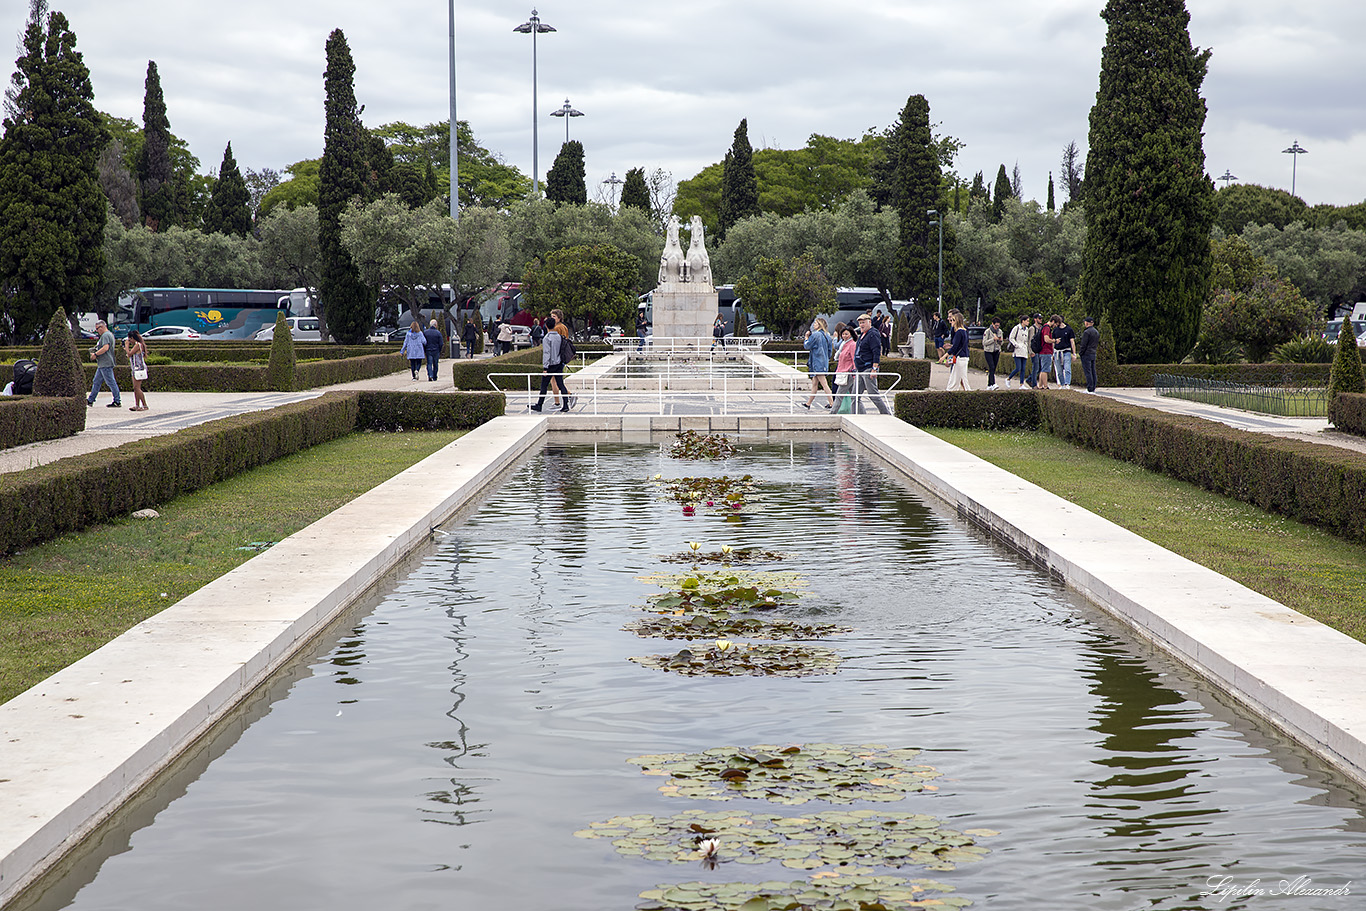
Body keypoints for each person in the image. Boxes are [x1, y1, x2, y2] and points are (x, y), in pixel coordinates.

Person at [530, 315, 571, 413]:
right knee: (561, 385)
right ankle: (565, 405)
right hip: (559, 363)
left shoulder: (547, 338)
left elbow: (546, 353)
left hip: (550, 365)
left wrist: (545, 367)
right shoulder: (559, 337)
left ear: (546, 326)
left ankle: (539, 405)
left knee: (544, 386)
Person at [852, 313, 891, 414]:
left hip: (868, 368)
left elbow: (876, 351)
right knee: (854, 396)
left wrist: (874, 369)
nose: (861, 325)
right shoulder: (862, 335)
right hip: (860, 369)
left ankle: (886, 414)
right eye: (860, 323)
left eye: (863, 323)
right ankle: (860, 416)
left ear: (869, 322)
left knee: (873, 394)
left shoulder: (873, 334)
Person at [802, 317, 836, 409]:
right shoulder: (828, 336)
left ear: (820, 325)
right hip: (823, 362)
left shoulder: (816, 335)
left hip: (817, 363)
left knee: (824, 384)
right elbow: (829, 352)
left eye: (816, 323)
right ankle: (808, 403)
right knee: (814, 384)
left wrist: (806, 338)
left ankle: (832, 403)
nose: (814, 325)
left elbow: (807, 345)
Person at [86, 319, 121, 408]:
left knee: (111, 382)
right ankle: (90, 400)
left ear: (102, 327)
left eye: (97, 329)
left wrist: (95, 354)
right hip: (103, 363)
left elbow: (105, 348)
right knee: (96, 381)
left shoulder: (105, 335)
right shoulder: (109, 334)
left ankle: (117, 400)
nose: (97, 331)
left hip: (105, 363)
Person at [831, 325, 858, 414]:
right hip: (843, 373)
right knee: (854, 397)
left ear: (851, 334)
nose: (844, 336)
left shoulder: (852, 344)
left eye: (846, 334)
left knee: (839, 395)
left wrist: (854, 373)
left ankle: (832, 414)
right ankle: (861, 413)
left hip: (848, 374)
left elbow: (854, 358)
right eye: (843, 334)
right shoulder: (844, 344)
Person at [944, 311, 972, 392]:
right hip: (962, 356)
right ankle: (951, 391)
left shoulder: (959, 331)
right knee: (956, 378)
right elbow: (959, 345)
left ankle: (968, 393)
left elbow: (956, 347)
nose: (950, 321)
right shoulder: (963, 330)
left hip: (960, 357)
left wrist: (945, 357)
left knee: (960, 378)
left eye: (952, 319)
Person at [124, 329, 149, 411]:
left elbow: (129, 354)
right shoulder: (138, 345)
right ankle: (137, 405)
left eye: (129, 339)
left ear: (132, 338)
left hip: (139, 368)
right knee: (135, 388)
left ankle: (145, 405)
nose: (129, 341)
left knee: (137, 388)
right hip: (135, 368)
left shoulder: (138, 345)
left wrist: (126, 346)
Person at [1050, 314, 1076, 388]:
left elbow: (1072, 341)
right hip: (1057, 352)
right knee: (1059, 371)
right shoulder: (1055, 330)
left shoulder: (1069, 329)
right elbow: (1053, 342)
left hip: (1066, 351)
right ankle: (1062, 384)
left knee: (1067, 368)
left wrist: (1074, 353)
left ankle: (1067, 383)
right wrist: (1052, 353)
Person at [1006, 314, 1031, 388]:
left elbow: (1027, 340)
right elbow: (1011, 338)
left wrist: (1026, 346)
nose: (1028, 322)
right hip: (1017, 351)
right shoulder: (1016, 328)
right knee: (1018, 368)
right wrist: (1016, 345)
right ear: (1023, 321)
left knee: (1023, 369)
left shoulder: (1027, 329)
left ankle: (1021, 384)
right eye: (1027, 321)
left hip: (1024, 350)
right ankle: (1008, 378)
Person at [1078, 315, 1101, 393]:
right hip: (1093, 352)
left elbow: (1083, 344)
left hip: (1086, 354)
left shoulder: (1087, 332)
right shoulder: (1096, 332)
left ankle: (1089, 388)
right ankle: (1093, 386)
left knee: (1088, 371)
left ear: (1087, 323)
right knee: (1093, 370)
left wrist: (1080, 353)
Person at [982, 317, 1004, 390]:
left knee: (993, 368)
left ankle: (989, 384)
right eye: (996, 326)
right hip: (988, 351)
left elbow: (1001, 343)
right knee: (991, 366)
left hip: (996, 351)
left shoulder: (1000, 331)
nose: (997, 327)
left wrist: (1000, 340)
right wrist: (993, 339)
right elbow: (984, 342)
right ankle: (993, 383)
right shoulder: (988, 331)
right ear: (992, 324)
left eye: (998, 326)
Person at [1037, 316, 1053, 390]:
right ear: (1053, 321)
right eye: (1056, 324)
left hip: (1043, 351)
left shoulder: (1044, 327)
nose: (1055, 326)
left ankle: (1040, 385)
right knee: (1045, 370)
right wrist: (1054, 341)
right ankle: (1045, 386)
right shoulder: (1047, 328)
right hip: (1046, 351)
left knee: (1043, 369)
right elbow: (1046, 339)